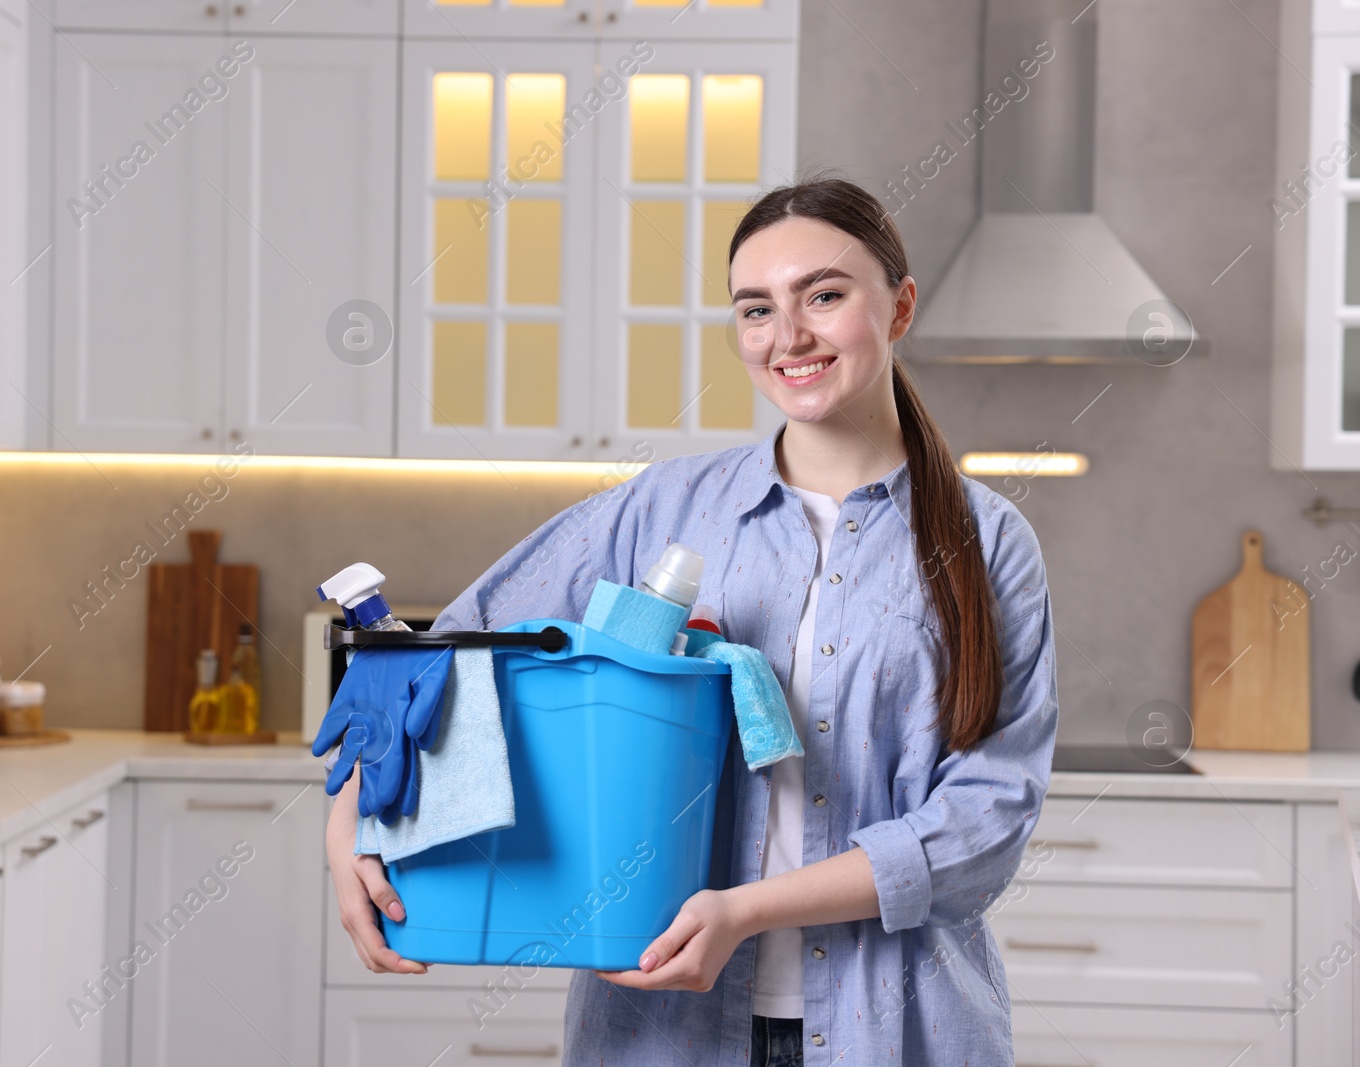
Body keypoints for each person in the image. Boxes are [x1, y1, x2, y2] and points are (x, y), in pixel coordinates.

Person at [324, 176, 1059, 1066]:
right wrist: (350, 820)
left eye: (823, 296)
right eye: (757, 309)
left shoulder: (986, 540)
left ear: (899, 307)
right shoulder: (661, 509)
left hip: (897, 1029)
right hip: (658, 1032)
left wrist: (744, 908)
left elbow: (987, 823)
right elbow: (442, 661)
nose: (788, 337)